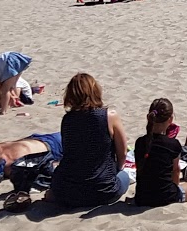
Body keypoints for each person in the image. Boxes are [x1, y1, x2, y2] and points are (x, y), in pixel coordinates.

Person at [45, 73, 130, 208]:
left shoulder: (67, 120)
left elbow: (68, 152)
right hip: (103, 189)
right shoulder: (109, 116)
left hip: (68, 190)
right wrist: (118, 169)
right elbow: (123, 153)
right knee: (125, 176)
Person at [134, 98, 187, 206]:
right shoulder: (172, 144)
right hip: (166, 196)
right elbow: (176, 171)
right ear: (170, 119)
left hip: (141, 197)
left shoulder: (139, 142)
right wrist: (176, 188)